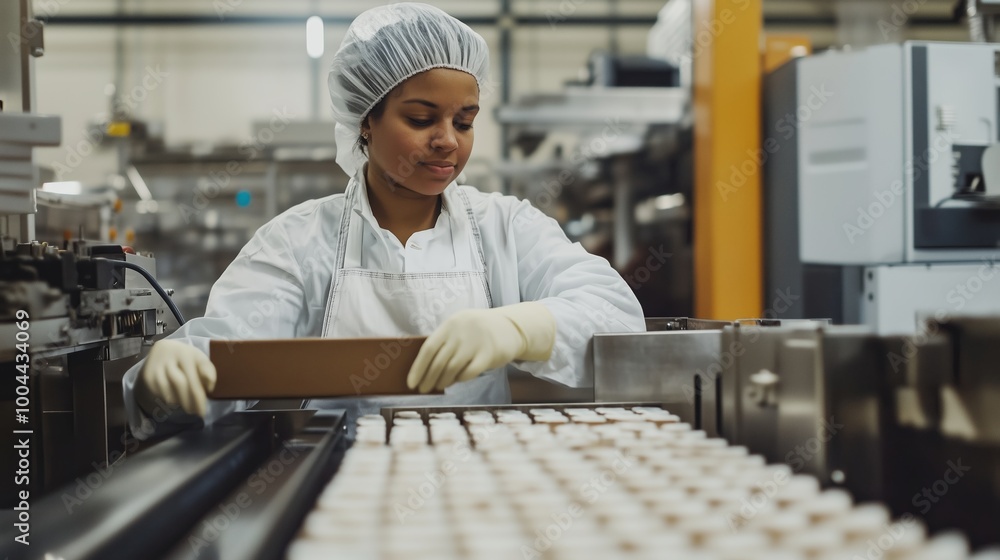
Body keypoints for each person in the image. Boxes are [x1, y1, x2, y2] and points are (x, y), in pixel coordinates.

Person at [122, 2, 645, 439]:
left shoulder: (504, 227)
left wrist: (518, 327)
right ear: (365, 121)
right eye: (421, 119)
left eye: (465, 121)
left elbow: (617, 320)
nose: (448, 140)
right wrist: (164, 377)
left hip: (483, 487)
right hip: (336, 493)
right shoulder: (300, 242)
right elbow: (224, 351)